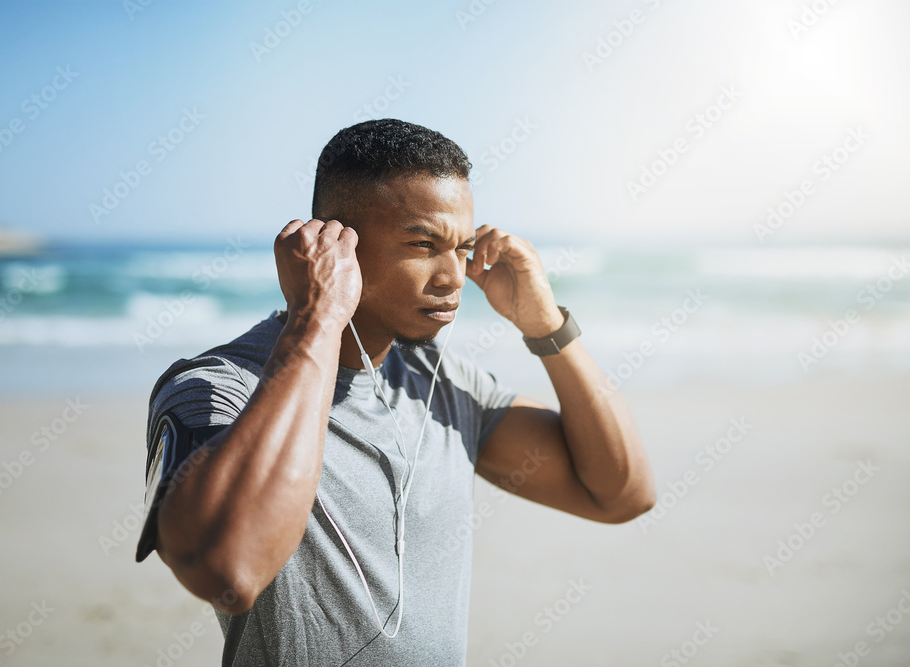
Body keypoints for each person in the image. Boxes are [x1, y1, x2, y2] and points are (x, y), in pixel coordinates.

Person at [134, 118, 655, 666]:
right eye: (424, 244)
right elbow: (227, 569)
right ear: (334, 245)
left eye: (463, 247)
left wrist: (546, 325)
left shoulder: (443, 382)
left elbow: (621, 493)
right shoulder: (215, 389)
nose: (453, 276)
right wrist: (318, 316)